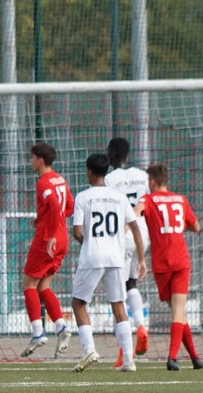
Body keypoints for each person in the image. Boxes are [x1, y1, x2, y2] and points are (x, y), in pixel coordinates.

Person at [70, 153, 146, 373]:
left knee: (79, 303)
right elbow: (135, 227)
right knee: (118, 305)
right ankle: (128, 360)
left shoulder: (83, 197)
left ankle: (89, 350)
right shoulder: (119, 198)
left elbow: (77, 231)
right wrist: (142, 258)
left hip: (92, 256)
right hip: (116, 257)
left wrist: (89, 242)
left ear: (89, 172)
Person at [134, 164, 203, 370]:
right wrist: (179, 226)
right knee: (178, 311)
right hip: (181, 260)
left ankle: (172, 357)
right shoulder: (181, 200)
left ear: (152, 182)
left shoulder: (148, 199)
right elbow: (196, 226)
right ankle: (194, 357)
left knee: (177, 310)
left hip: (162, 263)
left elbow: (135, 212)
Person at [20, 143, 74, 359]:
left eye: (32, 158)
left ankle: (38, 332)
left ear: (40, 160)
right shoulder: (60, 179)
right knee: (43, 286)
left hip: (47, 240)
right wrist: (44, 220)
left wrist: (49, 231)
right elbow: (69, 207)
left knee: (28, 284)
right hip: (62, 239)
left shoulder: (43, 182)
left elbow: (54, 204)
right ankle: (61, 327)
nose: (30, 161)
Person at [105, 137, 151, 366]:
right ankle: (141, 325)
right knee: (131, 284)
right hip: (142, 232)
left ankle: (125, 350)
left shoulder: (110, 179)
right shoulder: (142, 175)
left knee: (117, 293)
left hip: (122, 233)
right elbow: (147, 203)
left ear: (113, 153)